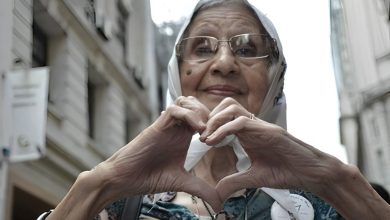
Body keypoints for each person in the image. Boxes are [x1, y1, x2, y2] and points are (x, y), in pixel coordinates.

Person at [38, 0, 390, 219]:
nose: (224, 63)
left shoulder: (333, 201)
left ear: (275, 78)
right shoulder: (122, 205)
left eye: (248, 48)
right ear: (177, 74)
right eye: (202, 48)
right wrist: (99, 185)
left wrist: (336, 180)